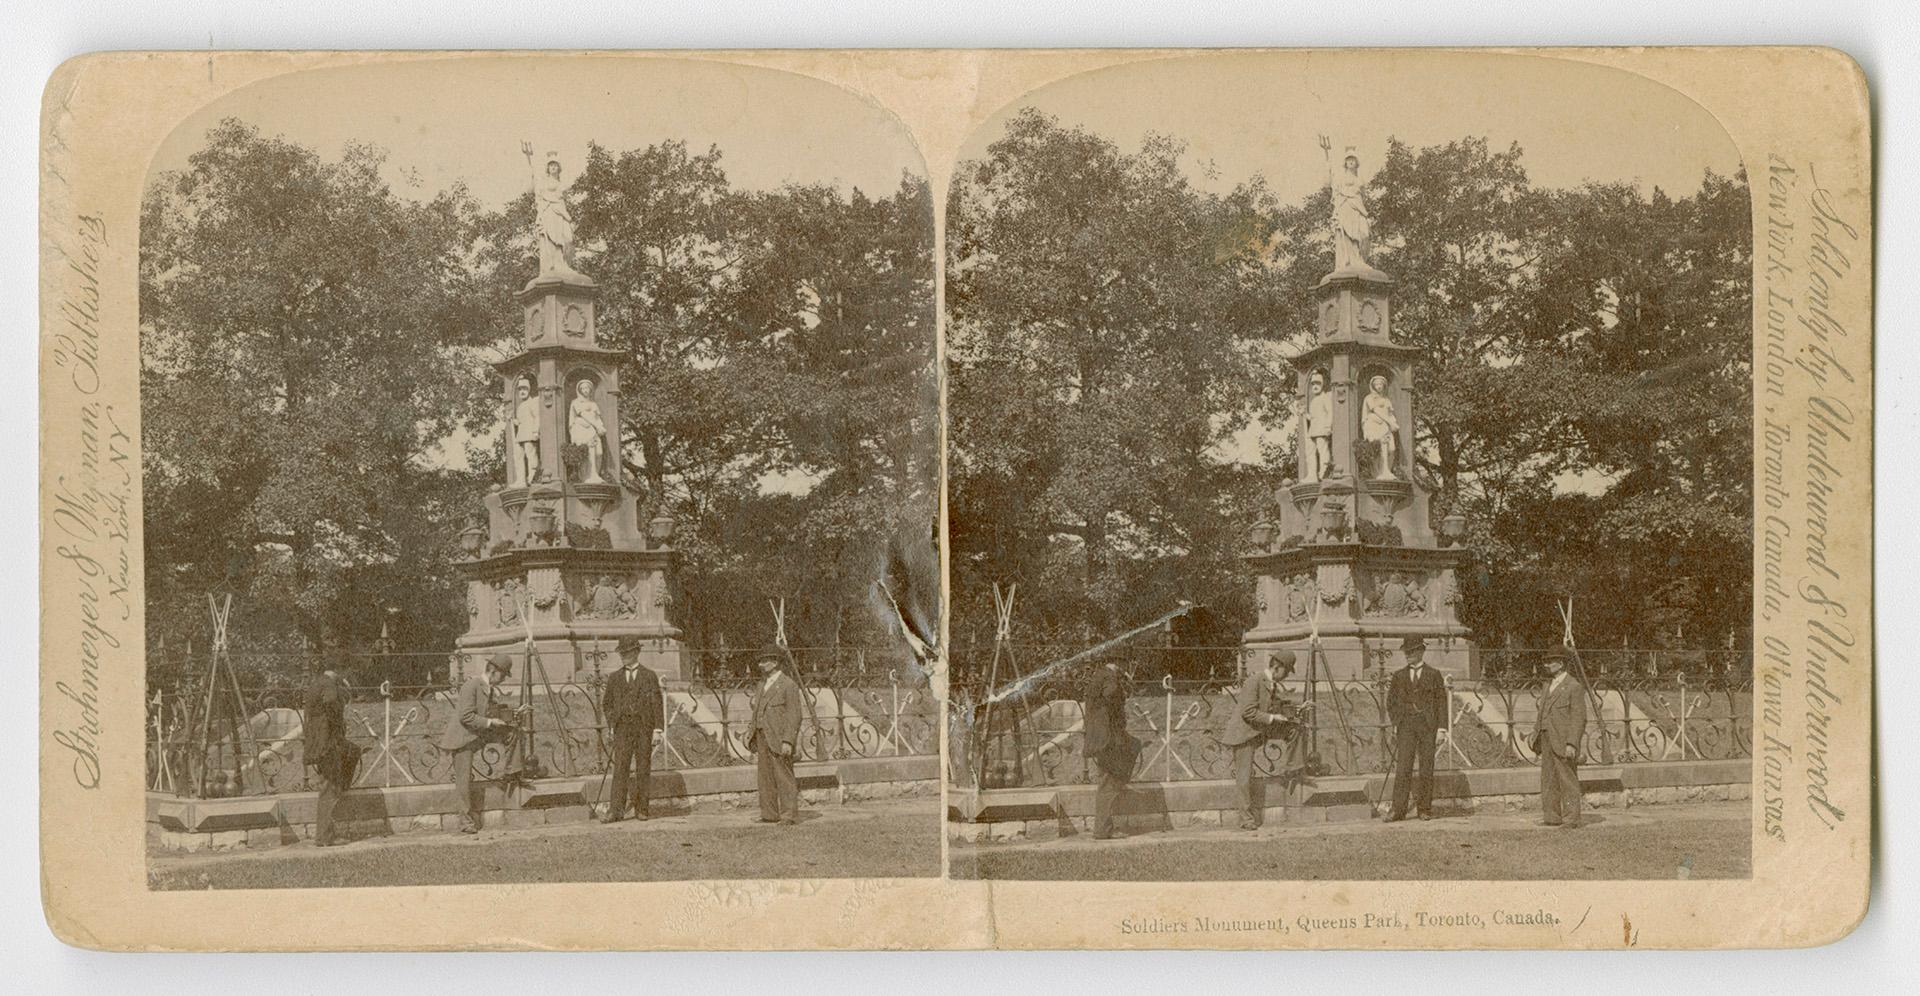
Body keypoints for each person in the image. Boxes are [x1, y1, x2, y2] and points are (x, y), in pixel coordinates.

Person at [1219, 651, 1311, 831]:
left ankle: (1292, 770)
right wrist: (1273, 718)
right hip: (1244, 733)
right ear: (1277, 667)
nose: (1286, 677)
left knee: (1296, 729)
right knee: (1244, 778)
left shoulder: (1272, 683)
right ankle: (1246, 819)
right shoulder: (1254, 681)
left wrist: (1299, 708)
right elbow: (1248, 712)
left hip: (1261, 729)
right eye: (1286, 672)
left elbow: (1279, 708)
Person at [438, 653, 528, 834]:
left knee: (513, 732)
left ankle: (512, 773)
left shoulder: (489, 688)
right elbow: (466, 717)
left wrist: (515, 713)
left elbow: (494, 712)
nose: (503, 680)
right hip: (462, 737)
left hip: (478, 734)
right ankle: (464, 821)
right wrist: (490, 723)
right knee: (463, 779)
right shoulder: (471, 685)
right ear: (494, 671)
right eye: (503, 675)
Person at [600, 636, 665, 823]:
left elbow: (657, 705)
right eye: (622, 653)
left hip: (643, 728)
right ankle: (615, 810)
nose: (624, 656)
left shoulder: (649, 676)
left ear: (637, 652)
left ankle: (642, 809)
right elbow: (607, 704)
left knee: (643, 768)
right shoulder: (614, 678)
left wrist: (658, 730)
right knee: (620, 767)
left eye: (627, 653)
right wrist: (612, 724)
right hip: (622, 729)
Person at [1385, 636, 1448, 821]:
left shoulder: (1434, 674)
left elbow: (1441, 703)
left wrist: (1442, 729)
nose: (1407, 655)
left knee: (1426, 767)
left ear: (1421, 651)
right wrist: (1397, 722)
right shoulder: (1399, 676)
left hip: (1428, 727)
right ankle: (1398, 809)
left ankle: (1424, 809)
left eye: (1411, 651)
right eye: (1406, 651)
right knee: (1403, 767)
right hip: (1406, 727)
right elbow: (1391, 703)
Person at [302, 665, 358, 847]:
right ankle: (324, 837)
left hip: (319, 742)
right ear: (337, 671)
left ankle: (342, 786)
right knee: (329, 787)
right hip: (328, 743)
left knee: (353, 752)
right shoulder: (329, 685)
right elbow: (332, 701)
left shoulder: (317, 683)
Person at [747, 646, 804, 825]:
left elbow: (795, 715)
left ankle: (789, 815)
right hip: (762, 735)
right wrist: (752, 733)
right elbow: (757, 711)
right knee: (765, 777)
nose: (761, 664)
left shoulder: (788, 685)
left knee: (783, 776)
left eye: (765, 661)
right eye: (760, 661)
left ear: (776, 662)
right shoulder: (761, 684)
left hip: (780, 738)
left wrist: (788, 740)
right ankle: (769, 813)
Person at [1532, 648, 1589, 828]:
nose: (1546, 665)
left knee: (1567, 779)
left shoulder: (1574, 686)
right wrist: (1536, 734)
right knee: (1548, 778)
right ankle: (1552, 816)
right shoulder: (1547, 685)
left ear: (1561, 663)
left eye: (1550, 661)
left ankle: (1572, 819)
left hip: (1564, 740)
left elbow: (1579, 717)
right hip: (1547, 737)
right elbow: (1542, 713)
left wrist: (1572, 743)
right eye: (1545, 661)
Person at [1082, 658, 1136, 840]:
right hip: (1107, 739)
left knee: (1132, 746)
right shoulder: (1109, 677)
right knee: (1108, 782)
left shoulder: (1100, 675)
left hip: (1103, 737)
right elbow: (1110, 694)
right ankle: (1102, 830)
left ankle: (1104, 827)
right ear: (1119, 663)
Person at [521, 143, 584, 281]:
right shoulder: (543, 182)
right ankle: (552, 267)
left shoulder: (562, 184)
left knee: (568, 238)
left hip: (561, 214)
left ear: (559, 168)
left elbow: (572, 185)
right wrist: (530, 166)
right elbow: (530, 189)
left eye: (555, 165)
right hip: (548, 213)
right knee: (550, 240)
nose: (553, 167)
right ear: (547, 168)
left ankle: (563, 265)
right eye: (551, 165)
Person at [1318, 135, 1374, 273]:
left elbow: (1363, 196)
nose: (1351, 162)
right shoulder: (1340, 177)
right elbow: (1327, 183)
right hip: (1344, 207)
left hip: (1358, 209)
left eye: (1353, 160)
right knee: (1348, 236)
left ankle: (1360, 260)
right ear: (1345, 162)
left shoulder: (1360, 179)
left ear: (1356, 162)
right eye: (1348, 160)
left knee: (1364, 234)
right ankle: (1349, 262)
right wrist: (1327, 161)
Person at [569, 378, 606, 483]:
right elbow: (584, 415)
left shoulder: (594, 404)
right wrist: (597, 426)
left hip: (593, 430)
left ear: (590, 390)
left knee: (599, 453)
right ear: (580, 390)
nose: (585, 390)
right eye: (583, 388)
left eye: (587, 388)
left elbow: (597, 418)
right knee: (589, 451)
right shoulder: (576, 402)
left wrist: (601, 426)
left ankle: (595, 474)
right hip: (582, 430)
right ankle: (589, 476)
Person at [1362, 374, 1399, 479]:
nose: (1378, 386)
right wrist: (1390, 422)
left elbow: (1390, 414)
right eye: (1376, 384)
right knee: (1379, 448)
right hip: (1374, 426)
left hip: (1385, 426)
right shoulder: (1369, 398)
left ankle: (1387, 470)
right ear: (1373, 386)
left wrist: (1394, 423)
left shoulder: (1387, 400)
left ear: (1384, 386)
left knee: (1391, 449)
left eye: (1380, 384)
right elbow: (1376, 410)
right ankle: (1380, 472)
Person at [1305, 370, 1333, 481]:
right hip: (1313, 429)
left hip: (1322, 428)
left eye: (1318, 384)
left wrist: (1328, 426)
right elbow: (1312, 417)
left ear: (1322, 385)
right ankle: (1312, 475)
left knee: (1323, 450)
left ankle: (1324, 473)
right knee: (1311, 451)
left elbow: (1330, 412)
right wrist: (1304, 414)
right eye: (1313, 384)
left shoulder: (1325, 397)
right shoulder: (1313, 401)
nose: (1315, 386)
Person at [512, 378, 540, 485]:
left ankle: (532, 477)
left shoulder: (533, 402)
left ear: (528, 390)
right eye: (520, 390)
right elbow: (521, 420)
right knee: (518, 456)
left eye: (524, 389)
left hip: (529, 434)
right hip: (521, 434)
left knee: (531, 455)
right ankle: (521, 480)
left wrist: (535, 431)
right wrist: (516, 421)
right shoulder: (520, 406)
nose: (522, 392)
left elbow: (537, 417)